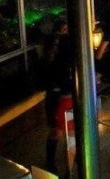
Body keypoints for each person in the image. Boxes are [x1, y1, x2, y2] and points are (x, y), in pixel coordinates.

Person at [42, 18, 74, 174]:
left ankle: (56, 163)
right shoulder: (63, 45)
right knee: (62, 131)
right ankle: (61, 164)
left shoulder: (55, 47)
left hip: (59, 95)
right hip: (60, 96)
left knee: (61, 131)